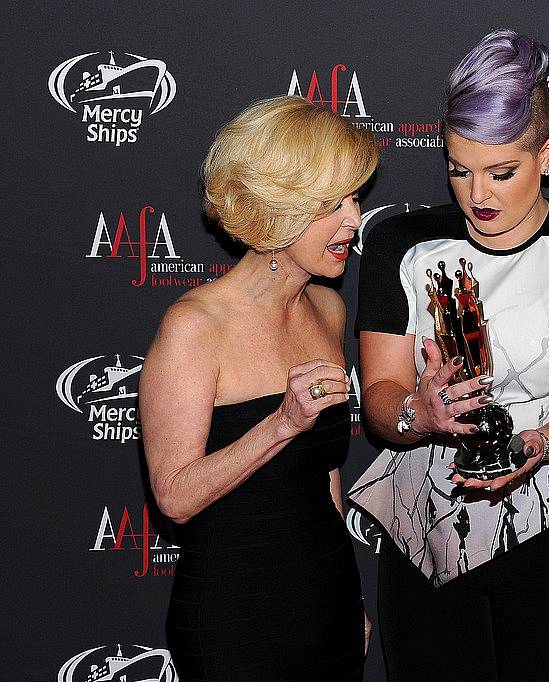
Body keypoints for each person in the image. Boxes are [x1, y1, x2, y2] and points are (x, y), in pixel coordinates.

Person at [349, 29, 549, 681]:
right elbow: (380, 392)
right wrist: (416, 417)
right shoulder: (401, 244)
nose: (477, 193)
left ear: (548, 155)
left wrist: (535, 444)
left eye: (500, 171)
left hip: (547, 526)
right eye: (459, 169)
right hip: (425, 530)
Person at [139, 96, 377, 681]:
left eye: (353, 199)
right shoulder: (195, 328)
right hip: (236, 618)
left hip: (327, 606)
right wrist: (281, 424)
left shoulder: (325, 309)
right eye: (331, 205)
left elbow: (325, 477)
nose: (353, 220)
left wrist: (348, 602)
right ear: (277, 212)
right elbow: (174, 496)